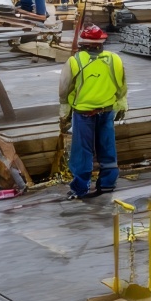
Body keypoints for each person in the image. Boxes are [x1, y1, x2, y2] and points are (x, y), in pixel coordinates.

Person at [59, 25, 127, 199]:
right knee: (107, 148)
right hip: (107, 111)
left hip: (83, 114)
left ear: (83, 43)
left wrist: (65, 110)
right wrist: (121, 103)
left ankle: (80, 188)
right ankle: (107, 184)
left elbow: (64, 89)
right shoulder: (115, 59)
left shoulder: (74, 62)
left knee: (82, 152)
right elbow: (121, 86)